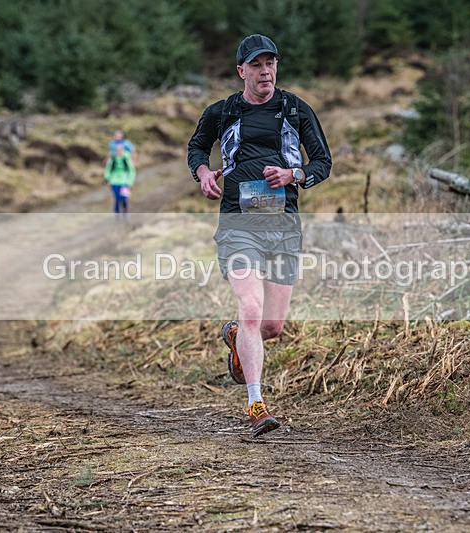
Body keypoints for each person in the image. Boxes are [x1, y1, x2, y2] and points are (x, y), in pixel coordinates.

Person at [187, 34, 332, 437]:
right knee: (250, 308)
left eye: (270, 62)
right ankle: (255, 404)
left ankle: (235, 337)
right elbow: (197, 147)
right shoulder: (222, 111)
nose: (265, 70)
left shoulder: (294, 109)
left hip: (282, 225)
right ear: (241, 71)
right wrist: (202, 173)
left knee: (271, 327)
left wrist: (294, 174)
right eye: (256, 64)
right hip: (238, 224)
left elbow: (322, 161)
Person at [104, 143, 135, 219]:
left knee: (124, 198)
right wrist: (108, 179)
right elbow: (107, 170)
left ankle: (125, 212)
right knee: (117, 198)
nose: (119, 151)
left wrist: (130, 181)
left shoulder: (126, 159)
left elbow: (132, 171)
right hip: (114, 181)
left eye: (120, 149)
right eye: (117, 149)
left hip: (125, 181)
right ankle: (117, 214)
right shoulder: (112, 159)